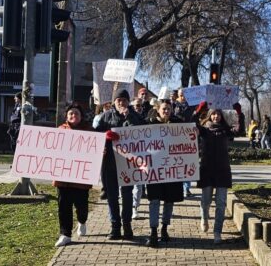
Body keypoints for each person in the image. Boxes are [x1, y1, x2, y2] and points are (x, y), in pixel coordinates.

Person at [94, 88, 146, 240]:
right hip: (110, 163)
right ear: (114, 102)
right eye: (118, 100)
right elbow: (95, 135)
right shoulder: (106, 116)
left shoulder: (135, 116)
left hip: (128, 164)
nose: (121, 103)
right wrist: (105, 136)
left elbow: (142, 132)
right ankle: (115, 226)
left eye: (124, 100)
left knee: (127, 195)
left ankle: (127, 224)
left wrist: (128, 118)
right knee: (112, 196)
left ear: (128, 102)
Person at [195, 102, 243, 244]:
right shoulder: (203, 130)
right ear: (210, 115)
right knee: (206, 201)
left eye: (218, 114)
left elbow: (239, 130)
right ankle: (204, 217)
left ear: (221, 116)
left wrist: (238, 113)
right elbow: (191, 122)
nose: (216, 116)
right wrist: (199, 109)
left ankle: (217, 232)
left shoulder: (225, 130)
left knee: (221, 203)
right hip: (207, 170)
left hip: (222, 170)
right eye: (213, 114)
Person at [144, 99, 185, 247]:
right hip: (154, 170)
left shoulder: (179, 124)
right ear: (157, 109)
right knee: (154, 201)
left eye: (168, 109)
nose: (166, 111)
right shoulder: (149, 124)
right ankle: (153, 232)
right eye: (164, 109)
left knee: (169, 201)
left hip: (172, 169)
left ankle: (164, 229)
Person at [53, 103, 92, 247]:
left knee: (81, 206)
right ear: (66, 116)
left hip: (81, 178)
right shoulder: (60, 130)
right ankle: (65, 234)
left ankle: (82, 221)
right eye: (71, 113)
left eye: (76, 113)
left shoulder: (89, 131)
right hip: (63, 178)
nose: (73, 116)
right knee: (64, 206)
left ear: (81, 116)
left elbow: (95, 150)